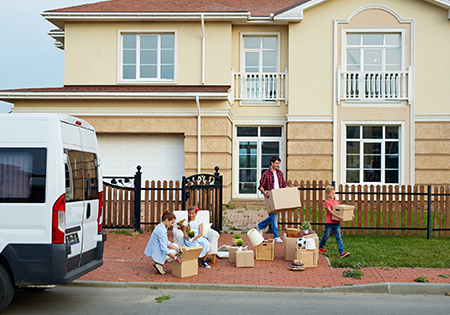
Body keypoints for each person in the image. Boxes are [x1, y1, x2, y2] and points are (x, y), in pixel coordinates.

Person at [256, 155, 288, 243]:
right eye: (277, 163)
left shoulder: (280, 173)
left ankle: (260, 226)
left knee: (274, 216)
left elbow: (284, 184)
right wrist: (264, 192)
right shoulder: (266, 174)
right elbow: (261, 186)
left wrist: (289, 190)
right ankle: (276, 236)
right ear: (272, 163)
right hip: (271, 197)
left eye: (279, 163)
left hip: (279, 196)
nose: (278, 165)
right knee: (274, 216)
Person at [318, 186, 352, 258]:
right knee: (326, 235)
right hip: (329, 222)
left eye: (334, 193)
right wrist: (339, 217)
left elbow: (341, 211)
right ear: (327, 194)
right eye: (331, 193)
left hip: (336, 223)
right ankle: (321, 247)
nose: (333, 195)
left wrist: (350, 215)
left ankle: (341, 252)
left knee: (338, 237)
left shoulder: (336, 202)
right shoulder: (327, 202)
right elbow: (330, 211)